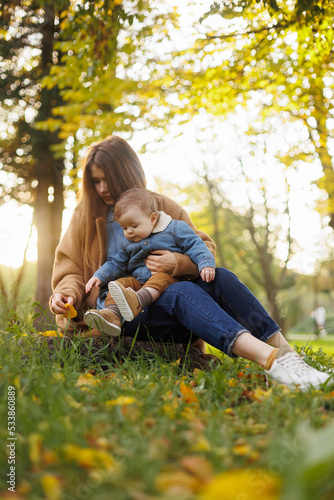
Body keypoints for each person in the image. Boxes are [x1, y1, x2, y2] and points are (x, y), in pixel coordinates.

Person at [49, 135, 330, 390]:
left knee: (221, 277)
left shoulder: (161, 207)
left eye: (108, 179)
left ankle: (291, 359)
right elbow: (70, 268)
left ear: (128, 173)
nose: (103, 188)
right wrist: (67, 294)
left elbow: (202, 246)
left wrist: (178, 262)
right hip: (122, 315)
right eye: (96, 181)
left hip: (172, 314)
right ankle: (271, 362)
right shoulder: (85, 217)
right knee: (179, 292)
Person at [83, 188, 216, 336]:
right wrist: (99, 276)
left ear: (152, 218)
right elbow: (115, 262)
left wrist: (205, 262)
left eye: (134, 226)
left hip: (168, 281)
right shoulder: (126, 241)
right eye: (124, 228)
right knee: (119, 284)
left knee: (160, 277)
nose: (129, 232)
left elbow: (195, 244)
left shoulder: (174, 229)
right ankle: (112, 315)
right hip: (139, 282)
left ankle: (138, 300)